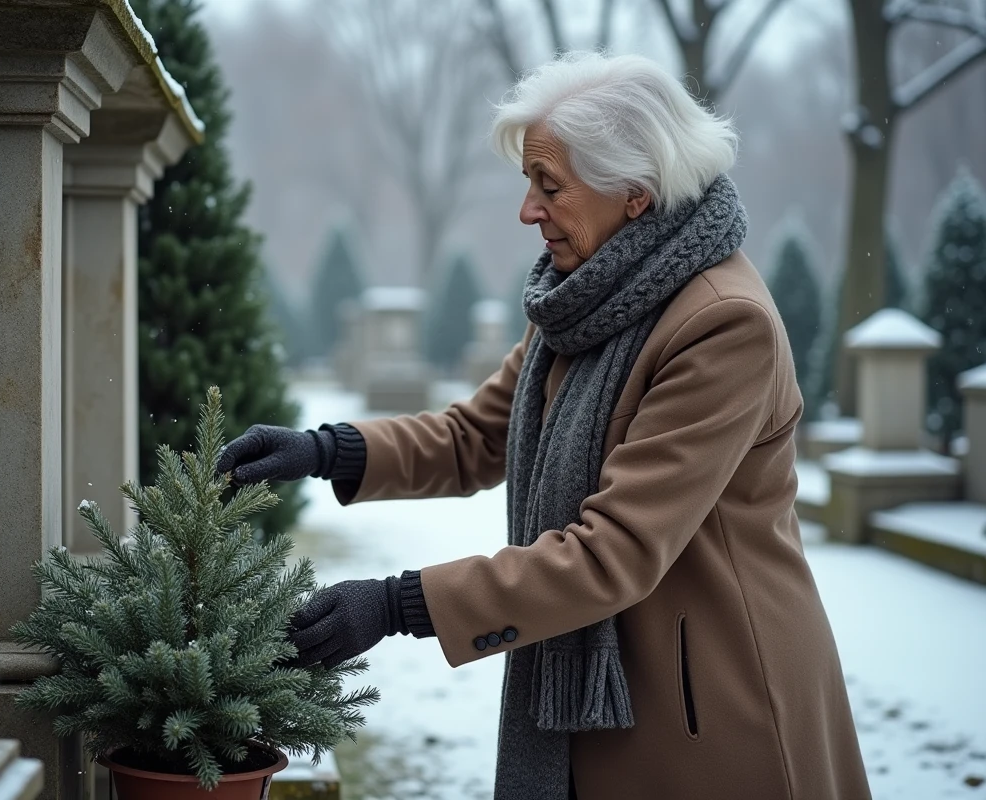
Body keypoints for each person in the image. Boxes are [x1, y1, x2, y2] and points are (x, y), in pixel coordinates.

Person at [216, 52, 870, 800]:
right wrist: (322, 450)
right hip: (608, 686)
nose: (527, 210)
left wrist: (398, 605)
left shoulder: (724, 325)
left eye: (548, 186)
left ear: (635, 193)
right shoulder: (587, 296)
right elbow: (475, 435)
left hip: (712, 706)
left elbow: (612, 553)